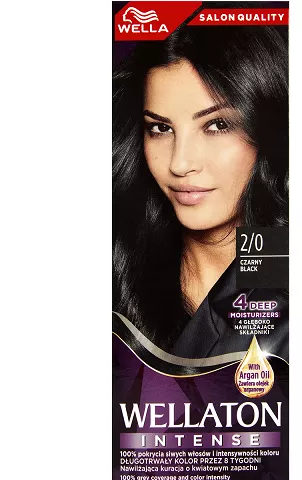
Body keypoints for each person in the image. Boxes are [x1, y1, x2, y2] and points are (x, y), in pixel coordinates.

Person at [112, 23, 289, 365]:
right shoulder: (118, 267)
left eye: (217, 125)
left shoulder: (283, 279)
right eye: (160, 128)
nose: (180, 163)